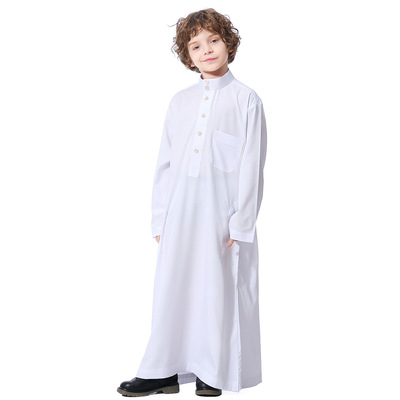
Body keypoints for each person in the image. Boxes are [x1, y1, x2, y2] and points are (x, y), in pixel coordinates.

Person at [117, 8, 267, 397]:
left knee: (215, 293)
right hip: (179, 216)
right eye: (196, 45)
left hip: (222, 218)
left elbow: (252, 166)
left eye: (213, 40)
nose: (207, 50)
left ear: (228, 43)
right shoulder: (180, 102)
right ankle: (162, 370)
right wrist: (159, 220)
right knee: (173, 289)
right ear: (188, 55)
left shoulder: (246, 100)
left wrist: (241, 223)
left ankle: (211, 371)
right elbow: (165, 164)